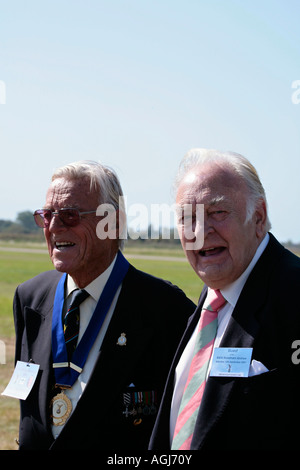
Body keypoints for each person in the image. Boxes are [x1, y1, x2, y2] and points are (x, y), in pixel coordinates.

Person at [13, 160, 196, 450]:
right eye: (47, 215)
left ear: (114, 223)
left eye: (70, 215)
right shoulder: (30, 297)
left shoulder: (167, 309)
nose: (54, 226)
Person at [149, 148, 300, 451]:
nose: (200, 232)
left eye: (217, 212)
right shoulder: (215, 294)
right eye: (187, 218)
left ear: (258, 217)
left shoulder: (293, 294)